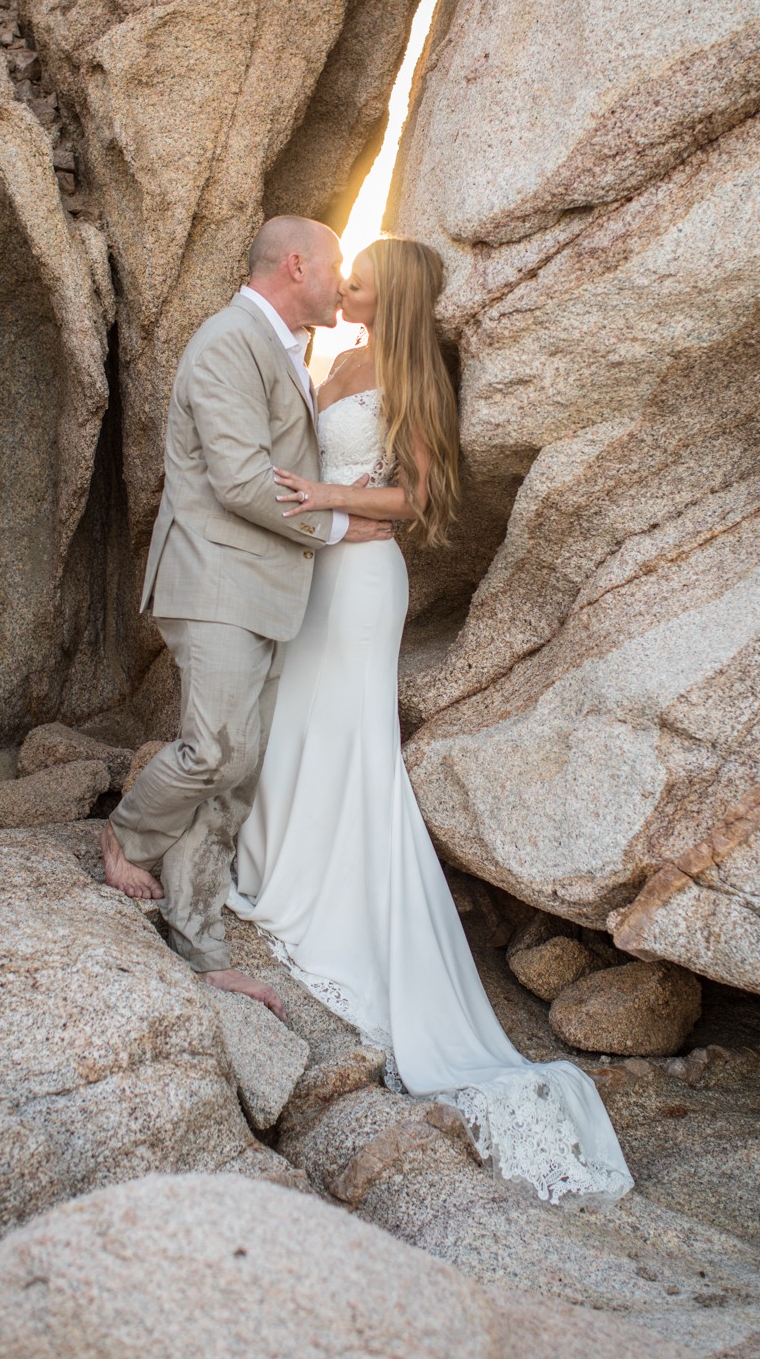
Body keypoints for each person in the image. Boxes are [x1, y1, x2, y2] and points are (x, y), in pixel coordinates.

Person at [230, 235, 633, 1204]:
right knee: (296, 720)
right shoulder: (336, 357)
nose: (347, 285)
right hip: (318, 568)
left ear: (394, 295)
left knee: (352, 740)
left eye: (362, 278)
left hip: (364, 582)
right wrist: (314, 507)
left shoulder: (411, 374)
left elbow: (415, 494)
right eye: (346, 273)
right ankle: (279, 872)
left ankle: (338, 914)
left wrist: (328, 497)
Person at [100, 215, 393, 1019]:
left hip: (265, 588)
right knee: (215, 752)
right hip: (216, 581)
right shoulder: (229, 341)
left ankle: (200, 944)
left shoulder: (283, 346)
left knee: (240, 773)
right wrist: (338, 524)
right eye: (333, 267)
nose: (339, 284)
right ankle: (126, 833)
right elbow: (238, 479)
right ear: (296, 265)